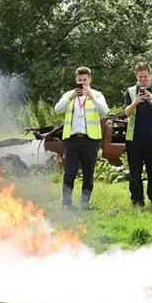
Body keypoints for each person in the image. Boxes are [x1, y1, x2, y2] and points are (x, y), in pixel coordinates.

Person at [54, 66, 109, 210]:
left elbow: (105, 111)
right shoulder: (69, 94)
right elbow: (57, 109)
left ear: (90, 80)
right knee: (70, 172)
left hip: (90, 140)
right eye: (80, 80)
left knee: (88, 173)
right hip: (72, 139)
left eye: (85, 80)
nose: (83, 83)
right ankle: (66, 203)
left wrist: (92, 96)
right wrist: (70, 98)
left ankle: (85, 202)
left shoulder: (97, 94)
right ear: (76, 80)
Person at [123, 61, 152, 206]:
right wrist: (135, 102)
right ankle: (137, 200)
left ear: (150, 75)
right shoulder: (130, 91)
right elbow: (126, 113)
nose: (143, 80)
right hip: (133, 138)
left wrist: (151, 100)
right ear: (136, 76)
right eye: (141, 77)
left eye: (146, 77)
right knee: (135, 172)